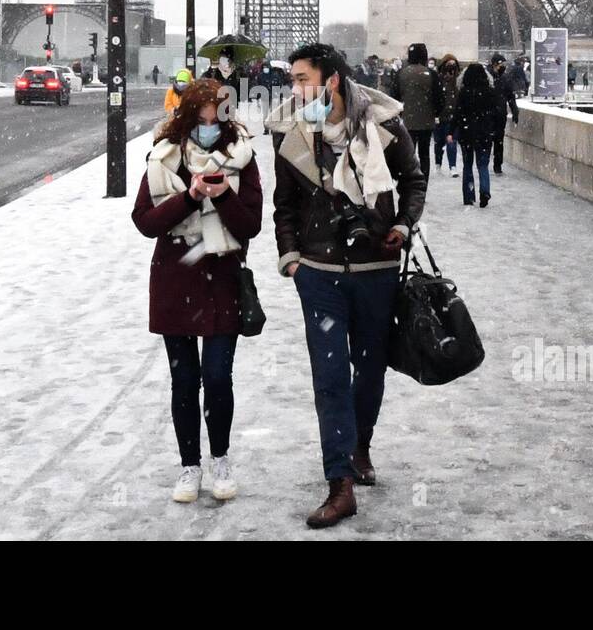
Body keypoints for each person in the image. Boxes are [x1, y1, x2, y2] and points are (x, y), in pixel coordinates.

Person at [266, 43, 427, 529]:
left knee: (370, 369)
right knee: (330, 376)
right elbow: (285, 204)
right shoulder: (291, 133)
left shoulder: (385, 124)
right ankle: (339, 484)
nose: (294, 88)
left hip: (376, 267)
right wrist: (292, 258)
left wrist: (401, 224)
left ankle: (360, 445)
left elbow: (413, 180)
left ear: (330, 80)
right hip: (318, 273)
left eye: (300, 78)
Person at [132, 78, 262, 504]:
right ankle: (190, 465)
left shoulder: (241, 158)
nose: (209, 123)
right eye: (202, 114)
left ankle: (220, 457)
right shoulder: (163, 157)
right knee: (184, 379)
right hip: (176, 278)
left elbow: (250, 226)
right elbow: (146, 221)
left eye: (216, 114)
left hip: (223, 278)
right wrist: (189, 196)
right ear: (188, 115)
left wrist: (224, 195)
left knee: (218, 376)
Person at [392, 42, 443, 177]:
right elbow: (439, 99)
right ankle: (422, 184)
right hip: (426, 120)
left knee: (408, 154)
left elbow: (394, 97)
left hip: (407, 120)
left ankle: (410, 184)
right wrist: (435, 112)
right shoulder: (431, 74)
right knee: (424, 154)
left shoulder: (401, 74)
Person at [449, 62, 496, 207]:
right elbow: (495, 112)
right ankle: (484, 191)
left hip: (467, 132)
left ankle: (469, 196)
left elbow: (457, 114)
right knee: (483, 164)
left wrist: (451, 131)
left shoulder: (464, 92)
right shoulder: (489, 92)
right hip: (484, 133)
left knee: (467, 164)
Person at [487, 53, 519, 175]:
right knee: (488, 139)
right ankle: (484, 162)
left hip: (500, 114)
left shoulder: (505, 78)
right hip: (488, 114)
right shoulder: (487, 77)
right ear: (495, 64)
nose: (503, 66)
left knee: (499, 140)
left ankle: (497, 165)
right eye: (501, 64)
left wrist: (515, 110)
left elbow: (511, 97)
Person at [433, 54, 461, 177]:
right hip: (440, 116)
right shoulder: (438, 80)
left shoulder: (458, 80)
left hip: (453, 117)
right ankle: (438, 164)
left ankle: (452, 166)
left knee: (451, 142)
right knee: (439, 142)